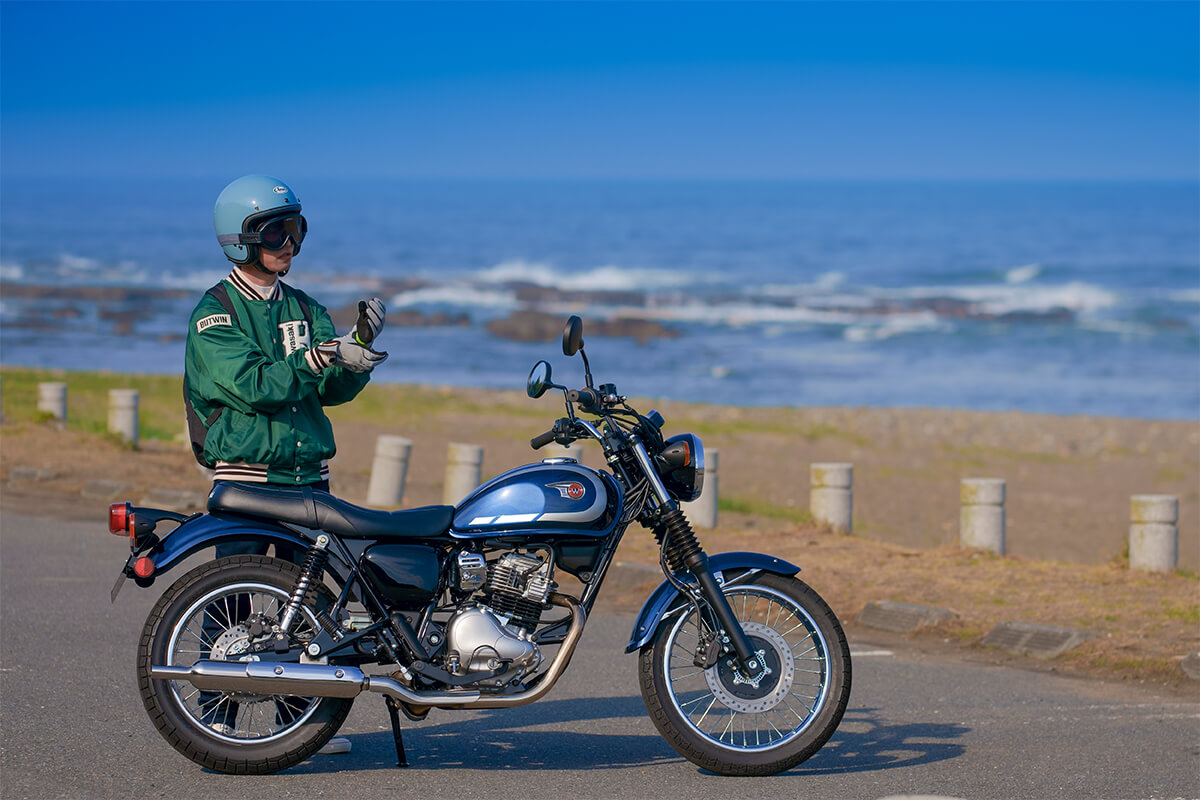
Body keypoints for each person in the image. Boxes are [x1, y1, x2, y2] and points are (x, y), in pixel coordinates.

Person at [185, 174, 386, 742]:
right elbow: (252, 384)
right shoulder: (214, 314)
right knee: (230, 596)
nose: (288, 243)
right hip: (247, 478)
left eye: (295, 229)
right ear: (240, 238)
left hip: (308, 479)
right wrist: (322, 356)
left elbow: (328, 394)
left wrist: (355, 360)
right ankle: (216, 718)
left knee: (312, 607)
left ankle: (296, 722)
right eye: (275, 231)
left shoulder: (305, 307)